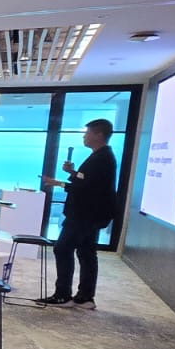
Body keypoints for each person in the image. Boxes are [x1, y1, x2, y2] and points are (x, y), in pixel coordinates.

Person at [39, 118, 119, 310]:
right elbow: (88, 180)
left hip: (84, 215)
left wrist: (58, 183)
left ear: (98, 135)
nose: (85, 136)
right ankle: (85, 297)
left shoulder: (102, 158)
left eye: (87, 133)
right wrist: (73, 172)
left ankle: (63, 295)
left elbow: (87, 188)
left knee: (63, 249)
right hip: (91, 215)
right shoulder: (101, 156)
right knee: (86, 252)